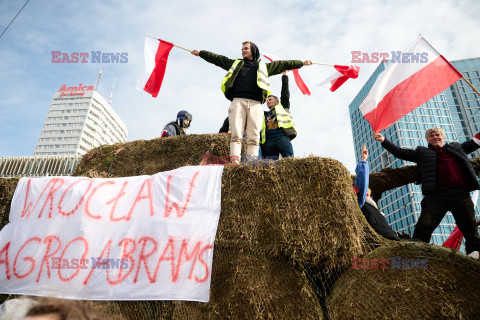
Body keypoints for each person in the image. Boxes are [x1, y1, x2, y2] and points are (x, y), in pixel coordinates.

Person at [191, 41, 312, 164]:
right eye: (242, 49)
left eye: (246, 48)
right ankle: (235, 161)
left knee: (254, 136)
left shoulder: (264, 67)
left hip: (256, 104)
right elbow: (218, 59)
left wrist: (301, 63)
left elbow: (283, 64)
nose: (243, 50)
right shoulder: (236, 64)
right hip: (238, 101)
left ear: (253, 50)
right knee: (236, 133)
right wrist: (201, 53)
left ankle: (251, 162)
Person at [373, 127, 480, 258]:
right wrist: (384, 140)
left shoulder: (457, 148)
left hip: (460, 194)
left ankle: (474, 254)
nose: (435, 137)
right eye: (431, 136)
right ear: (427, 140)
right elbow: (401, 153)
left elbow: (475, 142)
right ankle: (417, 253)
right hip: (436, 196)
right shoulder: (422, 152)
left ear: (443, 137)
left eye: (437, 135)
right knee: (424, 226)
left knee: (470, 226)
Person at [355, 144, 401, 241]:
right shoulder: (360, 199)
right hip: (381, 237)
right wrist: (363, 160)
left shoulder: (371, 205)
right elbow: (362, 182)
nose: (367, 189)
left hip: (387, 236)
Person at [260, 71, 296, 159]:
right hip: (268, 142)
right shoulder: (263, 114)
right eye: (267, 100)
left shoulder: (283, 107)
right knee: (270, 167)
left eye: (270, 99)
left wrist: (284, 76)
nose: (268, 101)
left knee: (289, 161)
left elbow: (285, 93)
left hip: (282, 138)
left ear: (277, 101)